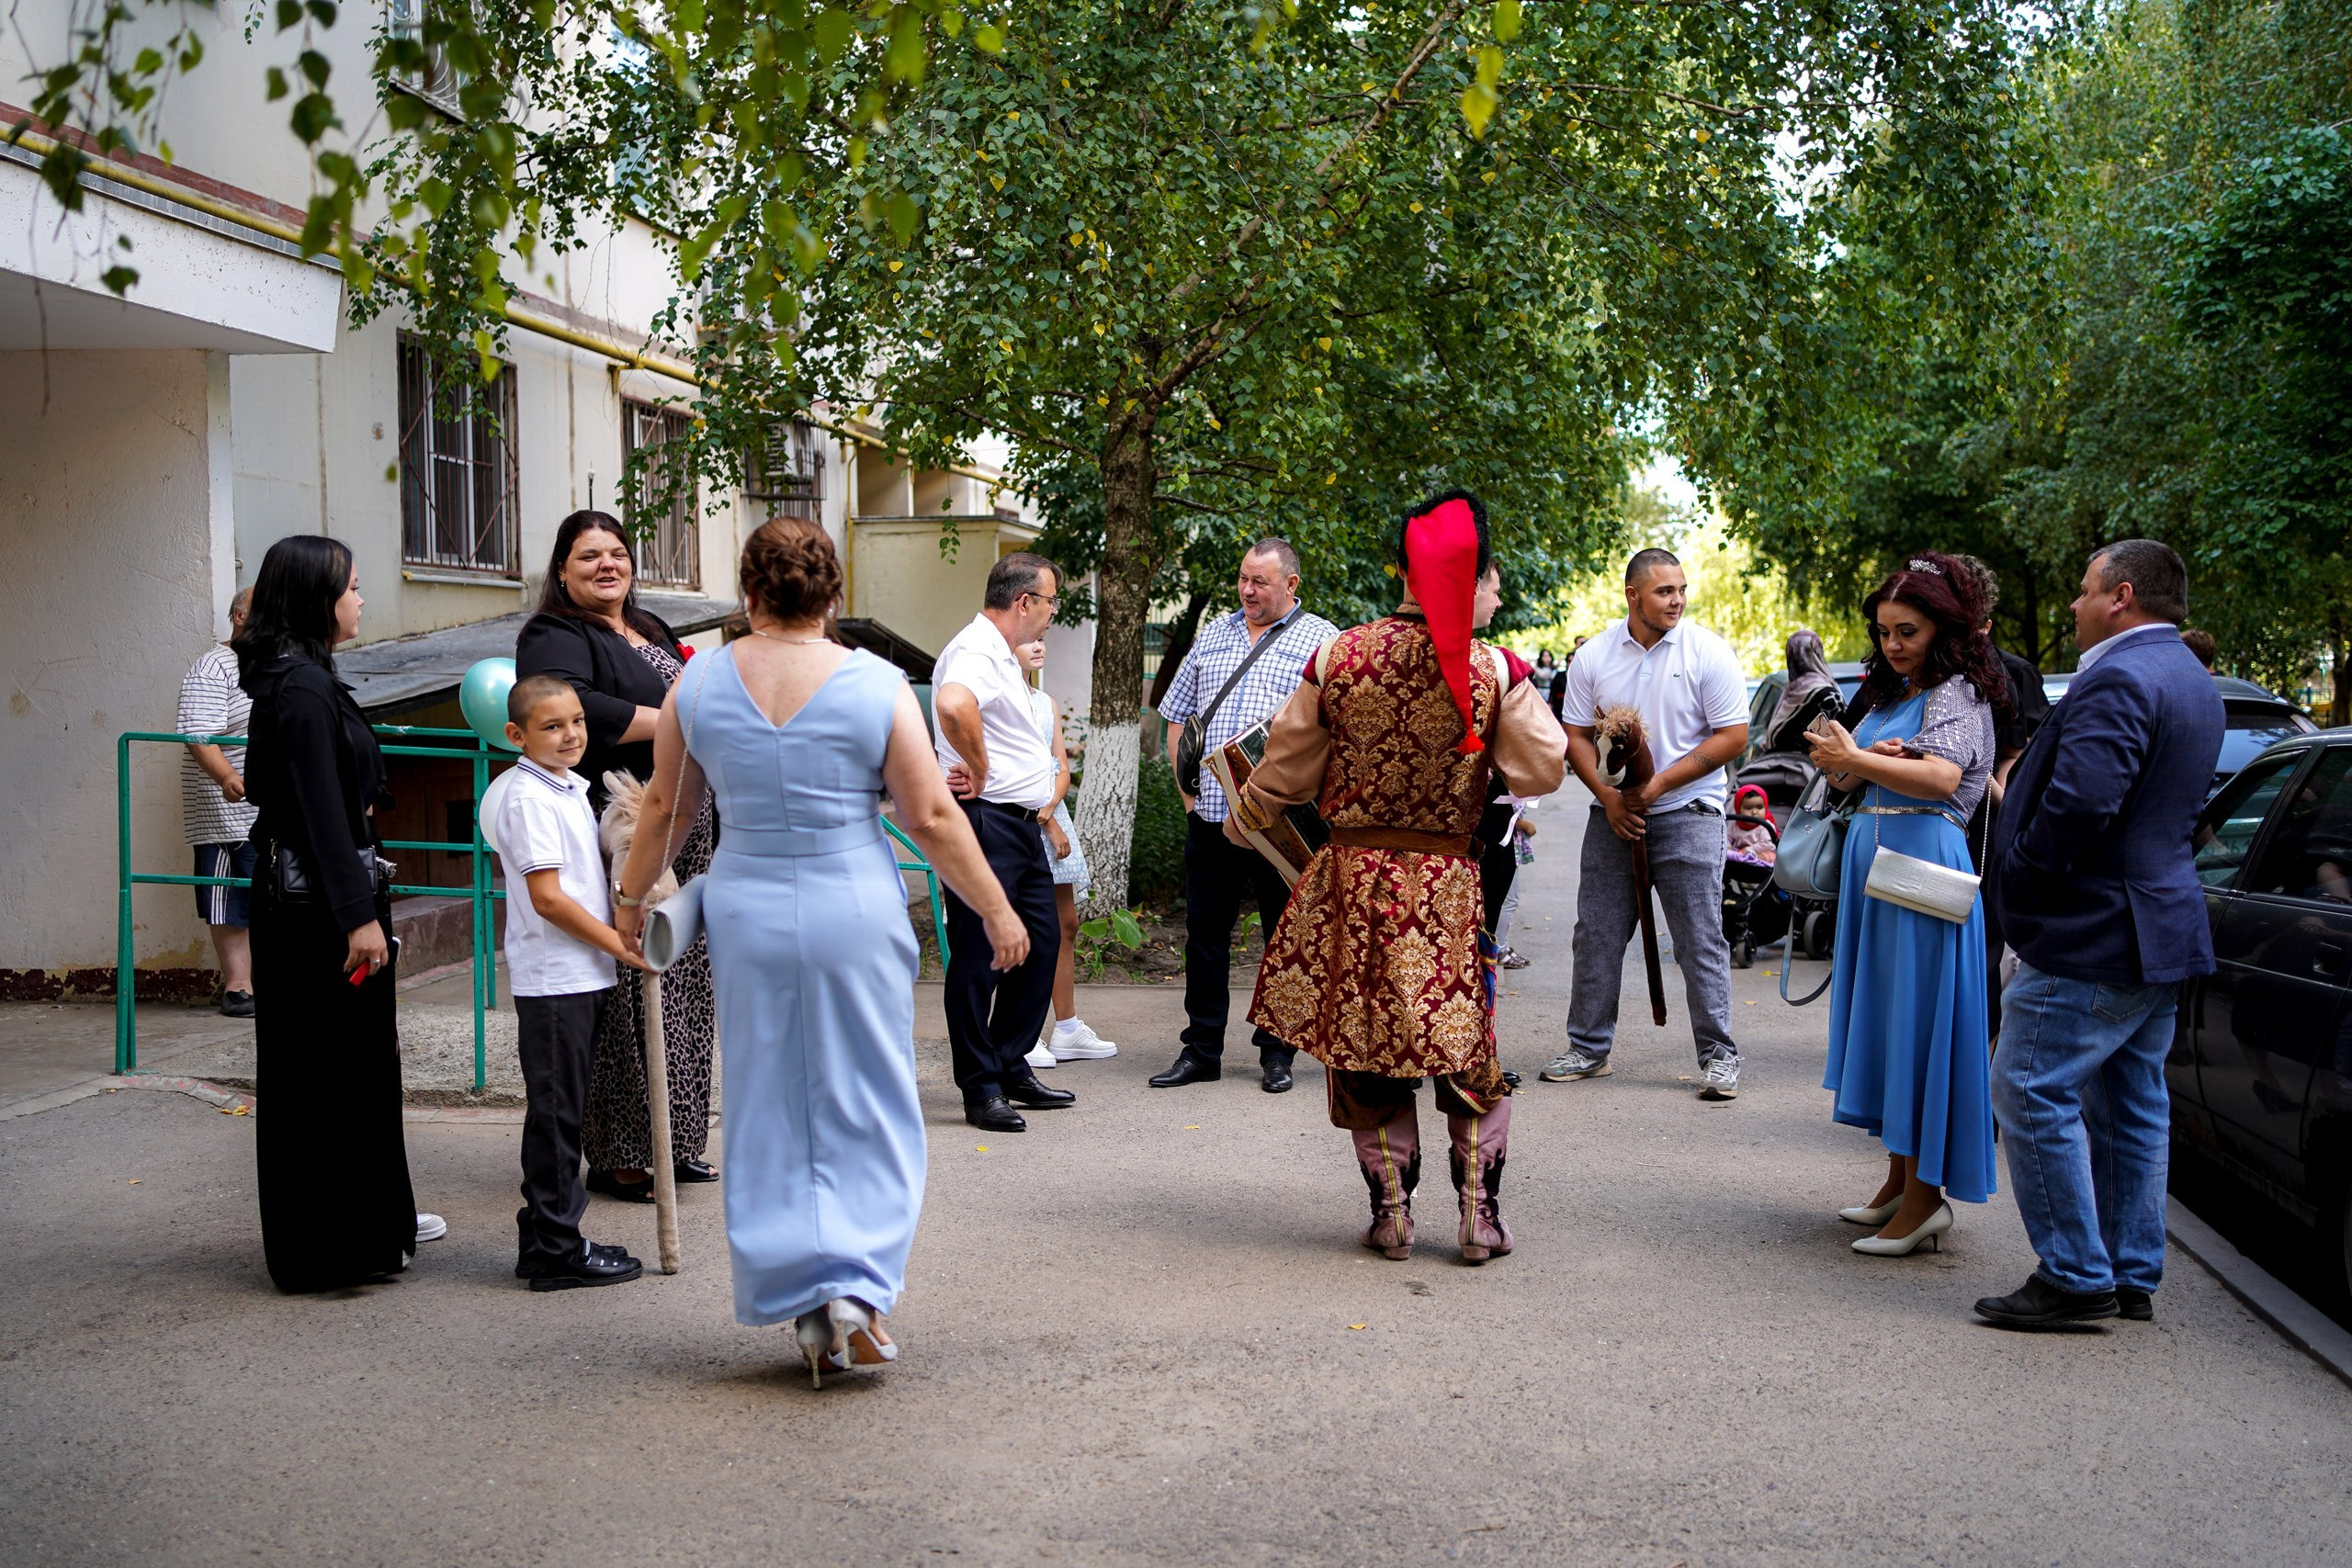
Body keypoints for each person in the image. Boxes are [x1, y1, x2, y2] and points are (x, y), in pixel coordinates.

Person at [615, 517, 1028, 1382]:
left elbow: (665, 809)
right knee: (866, 1093)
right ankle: (857, 1288)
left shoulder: (699, 686)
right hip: (849, 903)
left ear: (748, 591)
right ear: (832, 592)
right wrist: (995, 909)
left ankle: (804, 1297)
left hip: (747, 909)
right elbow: (930, 816)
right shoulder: (876, 683)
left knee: (769, 1100)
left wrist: (627, 904)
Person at [1231, 492, 1566, 1263]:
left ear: (1403, 572)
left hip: (1354, 878)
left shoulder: (1340, 654)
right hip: (1447, 885)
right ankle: (1478, 1217)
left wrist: (1247, 814)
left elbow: (1283, 765)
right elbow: (1540, 765)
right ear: (1471, 574)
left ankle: (1391, 1216)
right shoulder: (1495, 668)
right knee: (1462, 1041)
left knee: (1366, 1043)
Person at [1977, 540, 2223, 1328]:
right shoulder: (2189, 673)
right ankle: (2129, 1271)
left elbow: (2083, 803)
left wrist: (2025, 867)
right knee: (2132, 1102)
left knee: (2026, 1083)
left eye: (2084, 591)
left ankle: (2077, 1272)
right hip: (2159, 924)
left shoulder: (2119, 674)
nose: (2074, 605)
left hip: (2095, 929)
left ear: (2121, 596)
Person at [235, 536, 437, 1291]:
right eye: (352, 586)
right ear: (319, 598)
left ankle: (360, 1235)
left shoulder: (301, 679)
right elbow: (317, 810)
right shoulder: (301, 688)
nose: (361, 599)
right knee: (321, 1077)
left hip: (313, 903)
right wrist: (358, 918)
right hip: (316, 913)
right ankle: (327, 1247)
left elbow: (282, 787)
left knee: (343, 1073)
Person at [1804, 553, 2011, 1257]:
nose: (1892, 643)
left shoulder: (1958, 688)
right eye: (1884, 630)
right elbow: (1871, 777)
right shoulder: (1900, 687)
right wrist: (1841, 760)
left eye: (1907, 630)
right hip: (1883, 865)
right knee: (1893, 1024)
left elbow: (1945, 776)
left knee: (1919, 1028)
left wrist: (1858, 760)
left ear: (1943, 629)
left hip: (1921, 866)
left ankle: (1926, 1200)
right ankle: (1899, 1181)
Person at [515, 512, 718, 1203]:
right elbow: (583, 711)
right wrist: (680, 725)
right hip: (624, 820)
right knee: (634, 983)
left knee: (687, 981)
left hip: (690, 823)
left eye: (618, 552)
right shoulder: (553, 634)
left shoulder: (653, 627)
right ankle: (624, 1151)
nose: (607, 565)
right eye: (588, 555)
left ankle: (675, 1138)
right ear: (562, 569)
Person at [1544, 548, 1751, 1098]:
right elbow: (1576, 736)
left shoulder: (1708, 651)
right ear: (1633, 595)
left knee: (1699, 938)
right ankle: (1587, 1048)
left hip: (1691, 812)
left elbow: (1732, 736)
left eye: (1681, 589)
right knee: (1597, 934)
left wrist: (1657, 786)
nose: (1677, 599)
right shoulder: (1594, 658)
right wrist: (1609, 799)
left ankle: (1719, 1057)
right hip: (1612, 817)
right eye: (1664, 591)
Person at [1149, 538, 1339, 1094]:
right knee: (1205, 936)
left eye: (1260, 582)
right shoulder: (1214, 635)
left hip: (1281, 822)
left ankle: (1276, 1053)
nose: (1248, 590)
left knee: (1283, 938)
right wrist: (1187, 796)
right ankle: (1201, 1049)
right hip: (1211, 819)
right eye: (1243, 579)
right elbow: (1178, 716)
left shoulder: (1322, 640)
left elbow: (1332, 732)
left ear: (1291, 585)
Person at [480, 674, 647, 1292]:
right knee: (555, 1118)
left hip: (582, 972)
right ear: (516, 735)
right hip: (556, 979)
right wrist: (619, 946)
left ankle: (549, 1240)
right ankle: (554, 1247)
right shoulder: (528, 798)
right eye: (552, 726)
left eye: (576, 720)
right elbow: (547, 899)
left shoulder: (569, 787)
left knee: (566, 1115)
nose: (571, 733)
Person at [933, 553, 1079, 1133]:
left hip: (1022, 826)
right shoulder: (975, 649)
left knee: (1040, 945)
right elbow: (951, 705)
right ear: (1025, 602)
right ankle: (981, 1085)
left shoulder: (1003, 656)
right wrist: (979, 764)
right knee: (978, 957)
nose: (1051, 614)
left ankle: (1011, 1061)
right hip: (986, 822)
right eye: (1050, 603)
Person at [998, 639, 1116, 1070]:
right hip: (1025, 818)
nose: (1041, 646)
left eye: (1044, 639)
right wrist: (1044, 818)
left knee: (1065, 924)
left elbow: (1060, 767)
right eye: (1030, 640)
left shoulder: (1044, 702)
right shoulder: (998, 701)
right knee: (1029, 927)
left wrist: (1052, 814)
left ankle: (1066, 1028)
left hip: (1052, 816)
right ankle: (1021, 1034)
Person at [1952, 555, 2053, 1038]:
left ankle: (1979, 1063)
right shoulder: (1911, 671)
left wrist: (2004, 807)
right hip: (1929, 823)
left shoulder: (2014, 674)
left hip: (1988, 826)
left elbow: (2024, 763)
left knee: (1984, 941)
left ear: (1985, 623)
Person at [179, 587, 258, 1018]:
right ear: (240, 616)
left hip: (271, 811)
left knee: (272, 894)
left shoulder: (274, 664)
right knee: (229, 899)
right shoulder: (214, 666)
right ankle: (238, 986)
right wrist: (229, 777)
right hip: (226, 811)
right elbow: (197, 733)